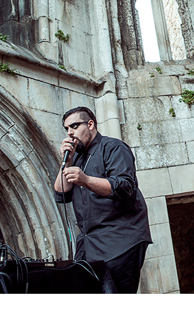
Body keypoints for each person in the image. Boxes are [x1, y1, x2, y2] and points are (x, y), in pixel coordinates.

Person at [54, 106, 152, 293]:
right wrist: (66, 162)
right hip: (90, 243)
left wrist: (86, 180)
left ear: (90, 124)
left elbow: (124, 186)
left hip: (120, 239)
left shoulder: (114, 147)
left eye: (74, 126)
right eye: (66, 129)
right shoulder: (77, 158)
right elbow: (61, 194)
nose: (70, 133)